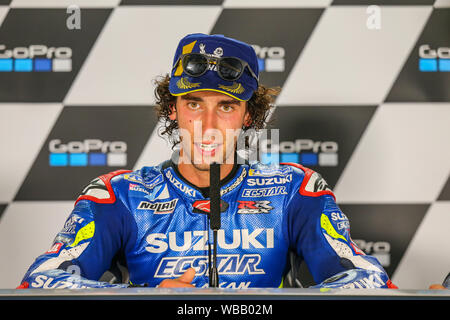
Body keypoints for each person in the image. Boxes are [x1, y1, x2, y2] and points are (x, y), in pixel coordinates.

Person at [17, 33, 397, 290]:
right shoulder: (119, 195)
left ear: (249, 116)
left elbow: (365, 278)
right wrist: (143, 298)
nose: (208, 125)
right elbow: (41, 280)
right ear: (173, 110)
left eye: (226, 106)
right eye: (193, 104)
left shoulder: (293, 190)